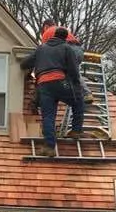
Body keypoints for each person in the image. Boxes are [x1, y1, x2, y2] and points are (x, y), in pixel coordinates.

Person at [20, 27, 89, 157]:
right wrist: (75, 86)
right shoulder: (67, 48)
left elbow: (25, 63)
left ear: (53, 36)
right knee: (79, 101)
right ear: (65, 38)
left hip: (43, 85)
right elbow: (74, 70)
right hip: (60, 82)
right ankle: (76, 130)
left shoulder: (41, 48)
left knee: (48, 116)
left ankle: (50, 147)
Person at [38, 20, 93, 104]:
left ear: (45, 26)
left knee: (62, 73)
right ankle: (83, 94)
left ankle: (81, 93)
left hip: (68, 50)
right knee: (72, 72)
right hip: (79, 50)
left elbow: (44, 51)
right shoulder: (61, 29)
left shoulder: (47, 32)